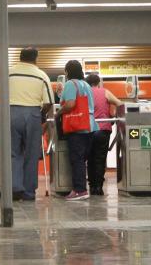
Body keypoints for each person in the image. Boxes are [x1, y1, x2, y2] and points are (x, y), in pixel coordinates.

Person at [9, 47, 54, 201]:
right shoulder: (42, 75)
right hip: (33, 114)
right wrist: (40, 115)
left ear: (20, 57)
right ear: (36, 58)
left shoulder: (8, 73)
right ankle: (28, 192)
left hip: (11, 113)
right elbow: (49, 101)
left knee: (13, 153)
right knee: (31, 154)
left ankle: (15, 188)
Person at [57, 60, 98, 201]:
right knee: (82, 159)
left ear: (67, 72)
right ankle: (81, 188)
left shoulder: (70, 84)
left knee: (77, 159)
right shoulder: (86, 84)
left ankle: (79, 190)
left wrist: (59, 112)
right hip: (90, 125)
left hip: (77, 126)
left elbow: (70, 104)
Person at [85, 73, 122, 195]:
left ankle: (92, 186)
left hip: (88, 129)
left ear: (87, 82)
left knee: (90, 159)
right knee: (100, 159)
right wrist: (114, 115)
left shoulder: (84, 92)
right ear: (98, 82)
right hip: (103, 129)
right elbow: (120, 103)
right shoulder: (105, 92)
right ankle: (99, 187)